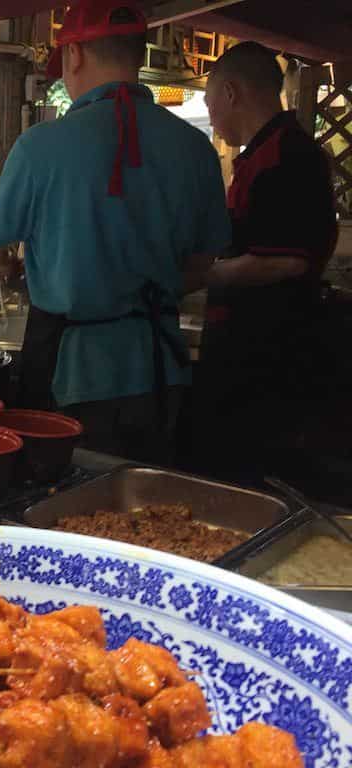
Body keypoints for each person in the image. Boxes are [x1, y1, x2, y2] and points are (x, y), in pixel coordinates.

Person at [0, 0, 231, 464]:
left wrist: (9, 267)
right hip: (159, 369)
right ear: (138, 53)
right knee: (152, 506)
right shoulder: (196, 148)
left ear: (74, 56)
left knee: (62, 507)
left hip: (70, 373)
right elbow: (200, 267)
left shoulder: (41, 145)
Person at [192, 41, 338, 483]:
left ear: (231, 93)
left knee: (245, 471)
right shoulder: (263, 151)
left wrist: (198, 276)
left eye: (210, 100)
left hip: (267, 350)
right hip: (248, 343)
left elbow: (288, 261)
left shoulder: (288, 156)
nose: (211, 115)